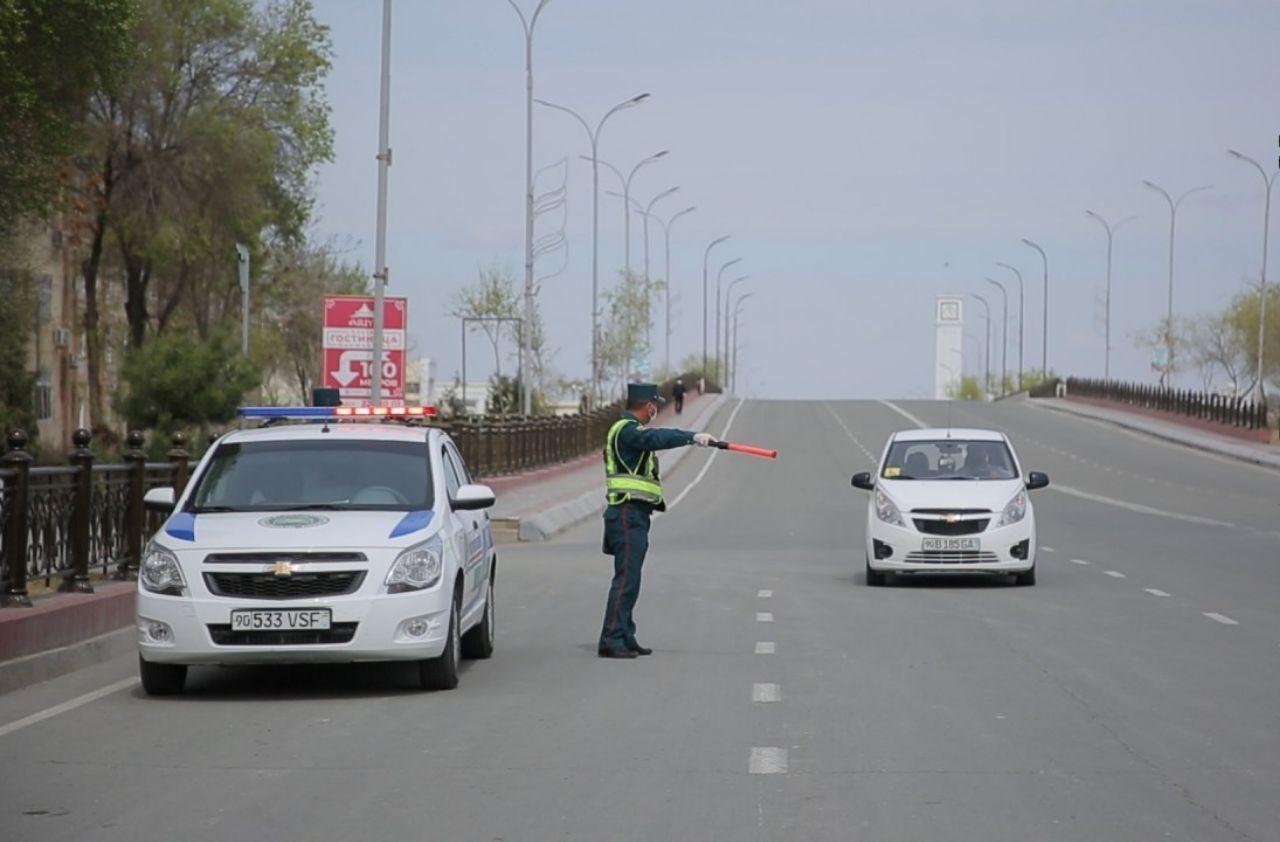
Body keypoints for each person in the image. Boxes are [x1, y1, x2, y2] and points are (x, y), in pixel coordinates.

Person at [599, 382, 714, 658]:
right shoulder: (627, 430)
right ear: (649, 405)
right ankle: (611, 638)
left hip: (634, 513)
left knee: (632, 579)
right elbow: (657, 438)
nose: (656, 411)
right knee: (626, 579)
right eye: (655, 406)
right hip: (626, 513)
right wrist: (692, 437)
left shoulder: (628, 430)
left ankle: (625, 634)